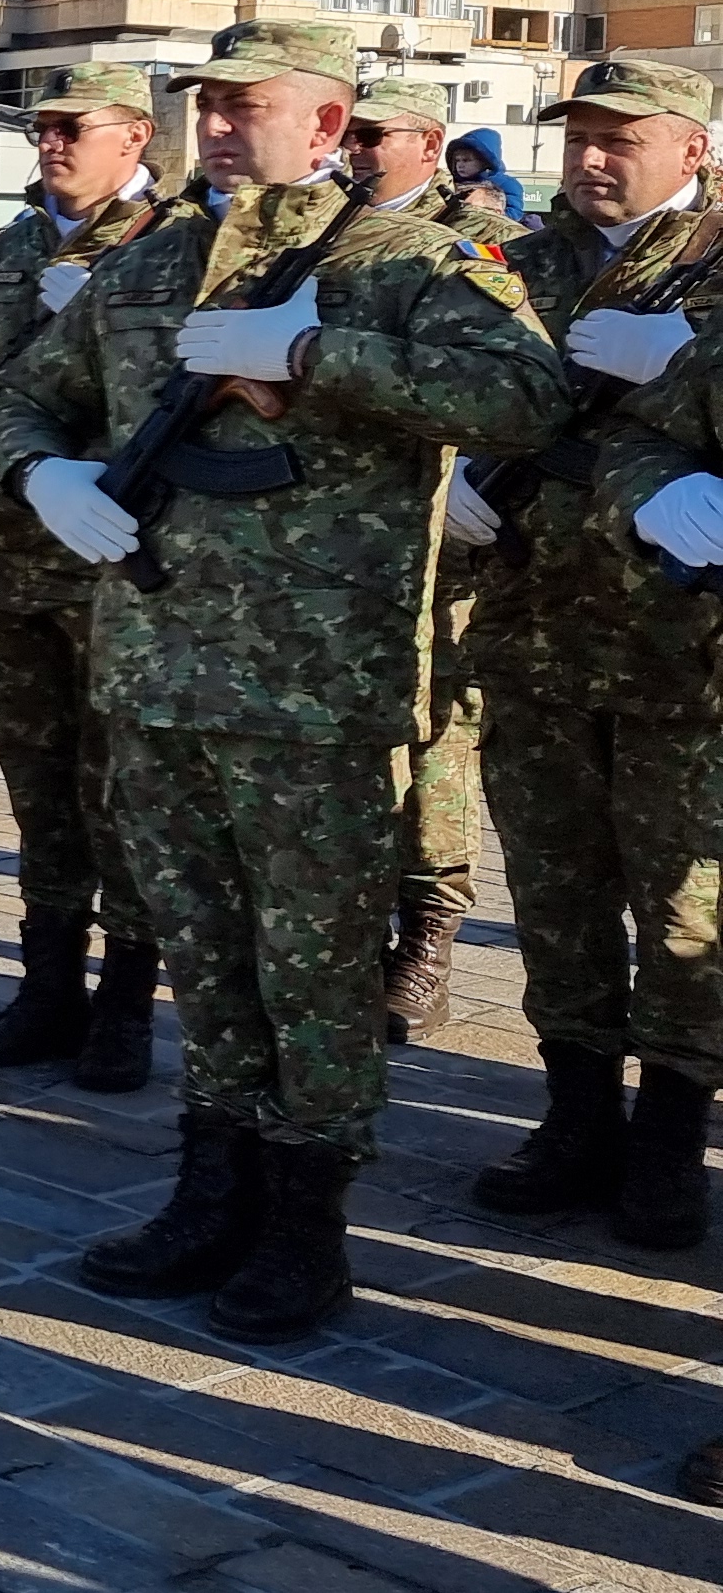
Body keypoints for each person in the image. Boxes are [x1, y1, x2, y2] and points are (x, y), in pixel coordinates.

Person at [0, 19, 569, 1340]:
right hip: (155, 664)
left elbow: (529, 401)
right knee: (202, 947)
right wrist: (45, 473)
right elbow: (26, 394)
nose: (221, 125)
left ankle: (307, 1225)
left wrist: (316, 360)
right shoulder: (148, 276)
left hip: (315, 691)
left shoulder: (407, 263)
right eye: (209, 105)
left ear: (325, 128)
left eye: (251, 107)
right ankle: (213, 1187)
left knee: (309, 964)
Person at [485, 57, 723, 1252]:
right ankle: (573, 1113)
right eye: (578, 132)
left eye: (620, 136)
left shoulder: (719, 258)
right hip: (532, 628)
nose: (590, 153)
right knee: (555, 889)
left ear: (692, 146)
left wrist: (681, 355)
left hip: (683, 651)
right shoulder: (517, 263)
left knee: (683, 902)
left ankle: (670, 1134)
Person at [0, 63, 189, 1089]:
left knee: (122, 792)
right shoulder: (7, 253)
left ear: (134, 138)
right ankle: (46, 988)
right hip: (11, 561)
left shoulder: (177, 253)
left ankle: (124, 1000)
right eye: (42, 126)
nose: (52, 142)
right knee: (37, 789)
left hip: (118, 568)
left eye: (74, 125)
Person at [349, 76, 527, 1040]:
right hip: (337, 553)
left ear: (431, 142)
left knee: (437, 746)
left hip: (448, 546)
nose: (360, 149)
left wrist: (480, 475)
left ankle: (427, 939)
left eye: (381, 134)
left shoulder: (490, 249)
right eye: (353, 132)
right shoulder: (316, 240)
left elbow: (526, 383)